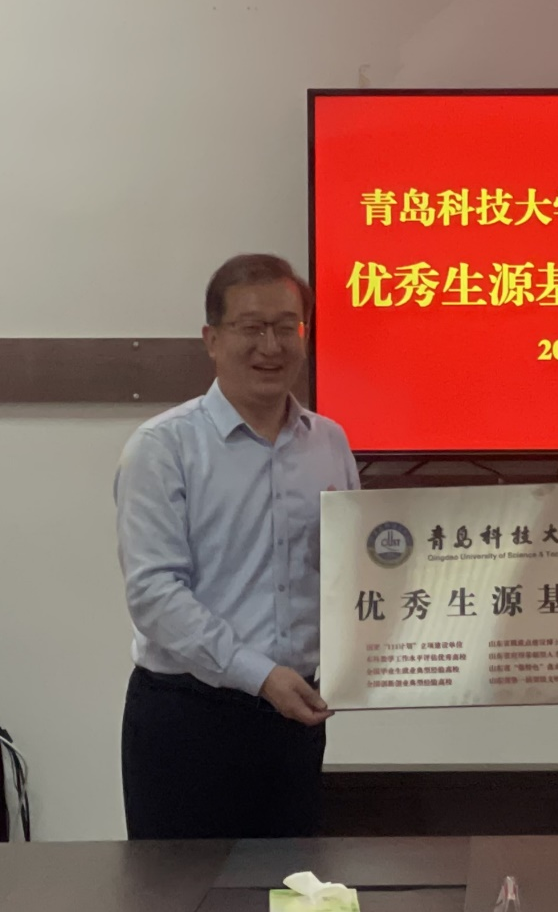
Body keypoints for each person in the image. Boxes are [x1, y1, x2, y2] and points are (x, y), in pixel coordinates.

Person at [115, 253, 359, 839]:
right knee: (182, 887)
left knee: (294, 882)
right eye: (251, 327)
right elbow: (154, 594)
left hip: (295, 719)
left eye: (286, 327)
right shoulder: (163, 447)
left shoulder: (329, 443)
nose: (270, 346)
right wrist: (260, 675)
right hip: (188, 719)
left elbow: (354, 571)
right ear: (212, 339)